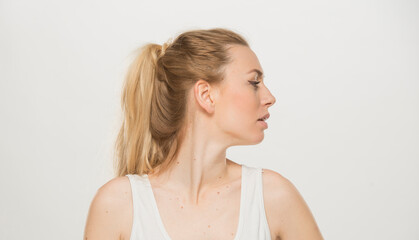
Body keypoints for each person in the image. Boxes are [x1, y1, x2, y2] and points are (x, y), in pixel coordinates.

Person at [83, 28, 324, 240]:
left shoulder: (274, 197)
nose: (270, 98)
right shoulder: (118, 206)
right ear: (206, 95)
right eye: (254, 82)